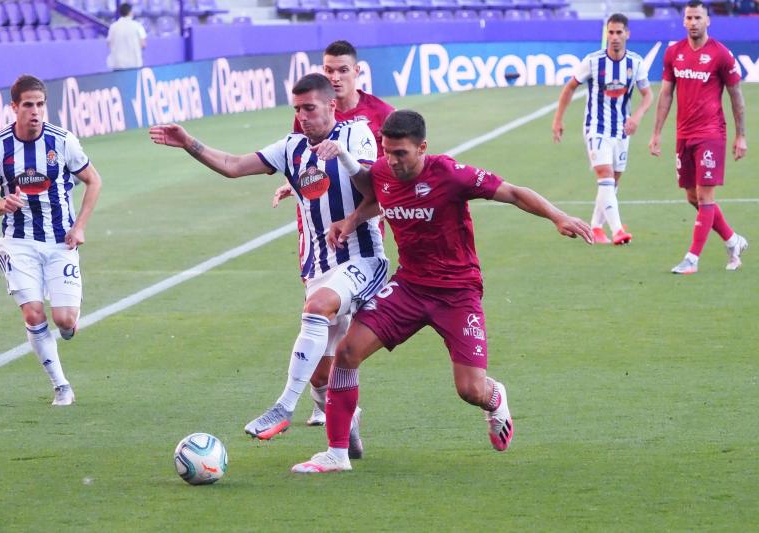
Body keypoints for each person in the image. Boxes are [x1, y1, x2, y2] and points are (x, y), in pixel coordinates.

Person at [291, 110, 593, 473]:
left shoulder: (450, 174)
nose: (392, 160)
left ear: (422, 148)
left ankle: (496, 398)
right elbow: (378, 196)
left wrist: (558, 216)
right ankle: (337, 454)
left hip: (457, 292)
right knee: (347, 351)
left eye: (401, 153)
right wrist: (351, 220)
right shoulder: (384, 172)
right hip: (409, 286)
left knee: (470, 390)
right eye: (387, 151)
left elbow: (512, 192)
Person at [149, 73, 388, 458]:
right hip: (319, 267)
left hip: (363, 258)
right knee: (324, 375)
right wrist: (188, 143)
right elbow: (232, 165)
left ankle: (284, 407)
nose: (304, 116)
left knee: (316, 307)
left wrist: (342, 163)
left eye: (310, 108)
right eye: (297, 110)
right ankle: (349, 422)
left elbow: (373, 189)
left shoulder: (355, 135)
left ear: (331, 105)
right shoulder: (291, 147)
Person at [271, 40, 395, 427]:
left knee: (342, 317)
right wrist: (292, 186)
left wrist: (361, 217)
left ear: (358, 72)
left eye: (342, 69)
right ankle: (327, 399)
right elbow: (305, 161)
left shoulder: (380, 115)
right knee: (324, 316)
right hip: (316, 232)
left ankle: (330, 402)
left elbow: (390, 174)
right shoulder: (309, 109)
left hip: (362, 225)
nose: (335, 76)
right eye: (329, 69)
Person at [0, 74, 103, 406]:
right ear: (14, 107)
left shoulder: (62, 141)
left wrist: (79, 227)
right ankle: (61, 386)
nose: (35, 112)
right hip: (17, 242)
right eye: (28, 105)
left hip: (60, 241)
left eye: (40, 105)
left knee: (65, 320)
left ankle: (66, 326)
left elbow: (94, 181)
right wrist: (1, 203)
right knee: (34, 313)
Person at [649, 0, 748, 274]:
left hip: (711, 134)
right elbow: (666, 93)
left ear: (708, 21)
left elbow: (736, 96)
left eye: (698, 18)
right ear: (684, 21)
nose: (693, 22)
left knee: (705, 197)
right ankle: (733, 240)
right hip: (684, 135)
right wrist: (657, 132)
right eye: (689, 18)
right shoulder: (673, 53)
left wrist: (741, 136)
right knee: (692, 198)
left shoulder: (721, 55)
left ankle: (692, 259)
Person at [552, 13, 653, 246]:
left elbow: (648, 94)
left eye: (619, 32)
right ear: (606, 34)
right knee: (605, 176)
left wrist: (636, 116)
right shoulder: (593, 61)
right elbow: (569, 88)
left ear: (627, 34)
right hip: (596, 128)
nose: (615, 37)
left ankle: (597, 228)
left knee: (613, 182)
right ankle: (618, 230)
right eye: (611, 32)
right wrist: (558, 119)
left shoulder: (635, 63)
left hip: (621, 130)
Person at [106, 2, 147, 71]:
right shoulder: (137, 26)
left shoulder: (113, 27)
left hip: (117, 63)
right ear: (130, 12)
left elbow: (109, 43)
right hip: (134, 63)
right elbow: (143, 44)